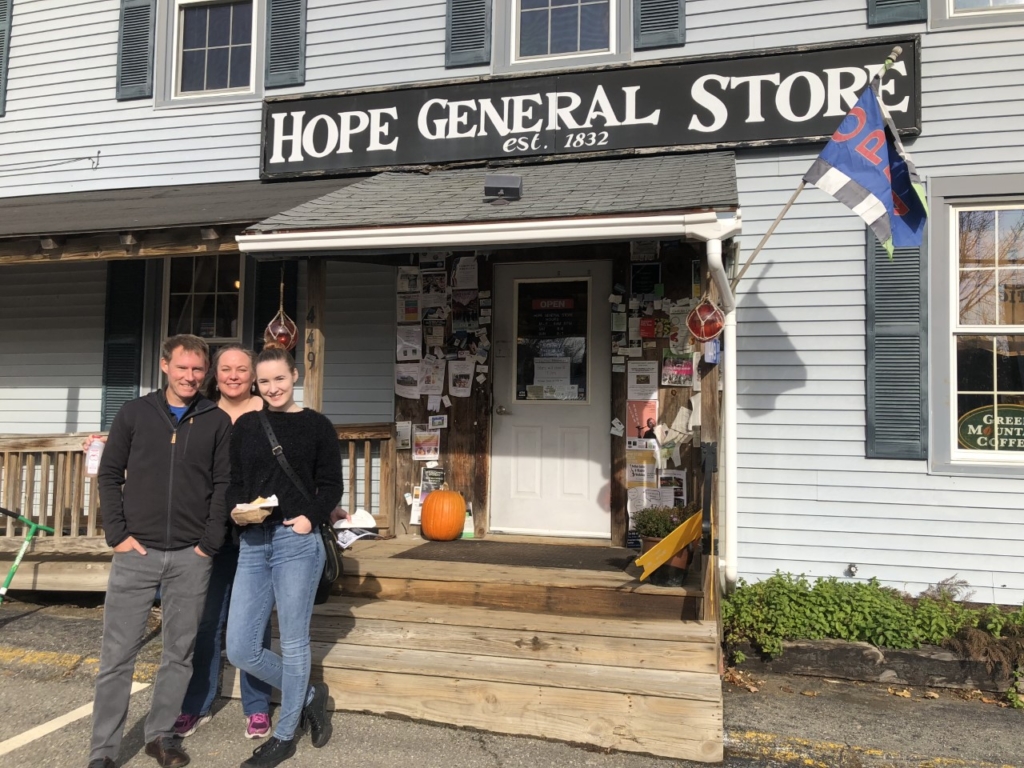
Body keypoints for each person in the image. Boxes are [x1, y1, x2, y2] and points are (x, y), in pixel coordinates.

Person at [89, 334, 231, 768]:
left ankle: (161, 736)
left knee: (179, 654)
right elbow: (109, 475)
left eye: (198, 369)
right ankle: (103, 751)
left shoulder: (215, 420)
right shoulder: (134, 413)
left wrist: (209, 543)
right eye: (182, 367)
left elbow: (223, 484)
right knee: (117, 656)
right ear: (165, 365)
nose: (190, 376)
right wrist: (117, 535)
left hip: (191, 557)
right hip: (137, 553)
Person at [225, 342, 343, 768]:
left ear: (295, 376)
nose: (273, 387)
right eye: (264, 381)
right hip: (254, 542)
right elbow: (235, 482)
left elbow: (331, 485)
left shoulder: (317, 426)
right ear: (255, 384)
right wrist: (237, 510)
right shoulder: (246, 426)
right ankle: (310, 694)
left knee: (293, 643)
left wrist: (311, 517)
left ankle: (285, 734)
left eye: (279, 378)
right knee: (240, 648)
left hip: (297, 542)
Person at [174, 345, 275, 741]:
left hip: (257, 530)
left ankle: (257, 705)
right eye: (226, 369)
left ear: (254, 375)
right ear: (215, 375)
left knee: (254, 622)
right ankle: (195, 703)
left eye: (242, 369)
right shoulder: (199, 412)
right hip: (209, 532)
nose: (234, 376)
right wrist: (100, 447)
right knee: (206, 620)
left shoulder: (270, 411)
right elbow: (164, 452)